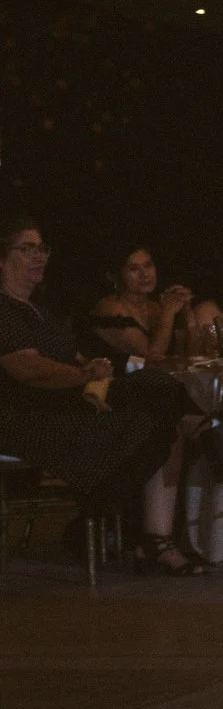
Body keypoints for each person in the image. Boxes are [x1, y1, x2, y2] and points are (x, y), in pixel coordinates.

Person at [0, 220, 206, 574]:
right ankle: (128, 517)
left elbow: (75, 355)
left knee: (161, 407)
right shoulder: (5, 310)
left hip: (71, 402)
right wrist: (83, 375)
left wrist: (95, 366)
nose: (38, 257)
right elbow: (28, 368)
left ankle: (155, 537)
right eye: (27, 249)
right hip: (31, 414)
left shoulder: (40, 311)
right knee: (158, 396)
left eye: (42, 249)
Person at [87, 246, 196, 362]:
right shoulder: (110, 307)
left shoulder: (156, 306)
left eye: (148, 265)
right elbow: (150, 359)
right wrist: (168, 312)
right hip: (126, 378)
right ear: (116, 275)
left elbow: (195, 357)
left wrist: (188, 312)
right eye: (133, 269)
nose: (145, 274)